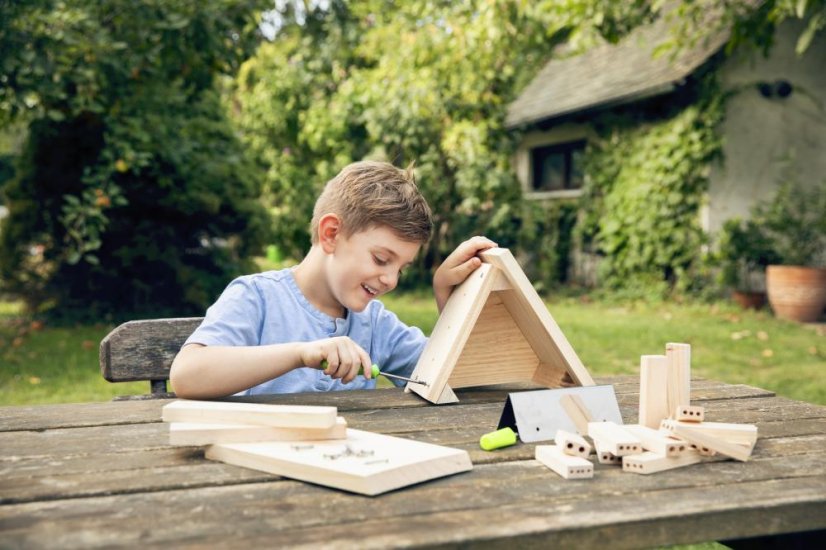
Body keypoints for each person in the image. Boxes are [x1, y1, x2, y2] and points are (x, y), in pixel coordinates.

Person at [170, 160, 497, 399]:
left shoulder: (375, 324)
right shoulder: (256, 298)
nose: (391, 280)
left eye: (402, 268)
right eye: (381, 259)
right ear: (331, 234)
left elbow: (457, 381)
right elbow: (187, 376)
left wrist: (449, 298)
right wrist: (301, 353)